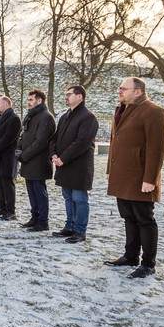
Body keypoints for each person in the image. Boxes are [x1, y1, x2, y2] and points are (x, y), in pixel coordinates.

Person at [104, 77, 164, 278]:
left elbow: (157, 148)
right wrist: (110, 171)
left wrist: (150, 178)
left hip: (141, 178)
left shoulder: (154, 112)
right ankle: (130, 255)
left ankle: (148, 263)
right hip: (122, 176)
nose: (119, 91)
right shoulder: (123, 110)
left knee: (145, 220)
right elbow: (115, 144)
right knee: (128, 218)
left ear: (138, 91)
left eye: (123, 88)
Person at [51, 86, 99, 243]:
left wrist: (63, 158)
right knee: (68, 197)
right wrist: (54, 154)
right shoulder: (65, 116)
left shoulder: (88, 117)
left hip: (79, 166)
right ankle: (69, 227)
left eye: (69, 94)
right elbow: (55, 138)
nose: (66, 96)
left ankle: (80, 230)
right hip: (63, 164)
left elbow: (81, 142)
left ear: (80, 97)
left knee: (79, 198)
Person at [18, 90, 56, 231]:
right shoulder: (32, 116)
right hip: (28, 161)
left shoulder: (46, 117)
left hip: (39, 162)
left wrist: (24, 155)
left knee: (39, 192)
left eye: (31, 99)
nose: (29, 102)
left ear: (39, 101)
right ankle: (34, 218)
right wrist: (19, 149)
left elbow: (41, 142)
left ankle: (42, 221)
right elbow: (24, 136)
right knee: (31, 192)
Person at [0, 95, 21, 221]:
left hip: (7, 157)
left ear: (6, 104)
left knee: (7, 184)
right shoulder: (2, 117)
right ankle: (2, 206)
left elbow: (7, 139)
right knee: (0, 183)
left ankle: (10, 210)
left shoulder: (14, 119)